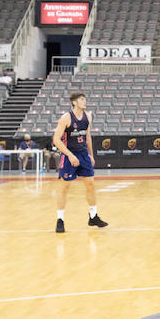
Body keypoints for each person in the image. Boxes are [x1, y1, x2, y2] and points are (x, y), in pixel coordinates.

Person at [52, 93, 108, 232]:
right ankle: (60, 220)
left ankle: (93, 216)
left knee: (91, 184)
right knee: (64, 187)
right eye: (82, 99)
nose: (85, 101)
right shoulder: (66, 118)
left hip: (83, 155)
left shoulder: (88, 116)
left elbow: (87, 136)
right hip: (69, 155)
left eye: (85, 99)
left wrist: (91, 155)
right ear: (74, 102)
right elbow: (56, 139)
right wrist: (70, 155)